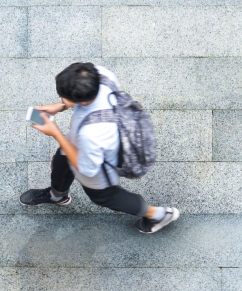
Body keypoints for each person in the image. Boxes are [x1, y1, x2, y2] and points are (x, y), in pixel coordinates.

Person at [19, 62, 179, 234]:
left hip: (98, 165)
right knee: (61, 163)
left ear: (82, 100)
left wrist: (56, 133)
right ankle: (57, 196)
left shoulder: (93, 133)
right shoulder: (101, 75)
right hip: (82, 142)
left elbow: (86, 168)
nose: (62, 100)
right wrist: (62, 105)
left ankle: (159, 214)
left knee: (105, 197)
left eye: (64, 97)